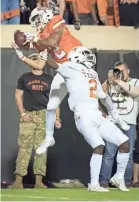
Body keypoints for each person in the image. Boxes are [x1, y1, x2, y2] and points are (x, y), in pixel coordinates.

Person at [12, 45, 130, 192]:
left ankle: (119, 177)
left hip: (95, 114)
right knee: (52, 105)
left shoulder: (91, 72)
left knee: (125, 143)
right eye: (85, 54)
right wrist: (45, 57)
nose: (89, 57)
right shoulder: (70, 67)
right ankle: (50, 137)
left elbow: (103, 96)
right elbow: (55, 65)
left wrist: (113, 113)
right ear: (77, 57)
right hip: (81, 112)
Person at [17, 6, 82, 157]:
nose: (36, 23)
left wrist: (35, 39)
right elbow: (40, 63)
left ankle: (110, 114)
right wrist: (21, 52)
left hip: (77, 63)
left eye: (37, 19)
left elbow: (53, 42)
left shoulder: (55, 20)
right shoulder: (40, 36)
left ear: (45, 15)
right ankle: (49, 137)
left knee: (86, 97)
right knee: (52, 103)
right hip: (63, 68)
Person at [9, 53, 61, 189]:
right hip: (29, 116)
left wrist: (57, 118)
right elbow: (18, 96)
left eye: (38, 59)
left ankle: (39, 181)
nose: (36, 61)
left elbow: (55, 100)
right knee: (24, 148)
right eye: (33, 59)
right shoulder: (24, 78)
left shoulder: (50, 79)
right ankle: (18, 181)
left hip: (45, 116)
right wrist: (23, 113)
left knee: (41, 149)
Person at [100, 62, 139, 188]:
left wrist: (119, 81)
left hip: (129, 123)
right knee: (109, 154)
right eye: (118, 71)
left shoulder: (135, 82)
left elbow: (134, 93)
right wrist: (108, 80)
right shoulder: (111, 83)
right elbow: (98, 94)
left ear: (128, 71)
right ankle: (103, 181)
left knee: (128, 155)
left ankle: (126, 181)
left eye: (123, 71)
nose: (120, 74)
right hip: (114, 123)